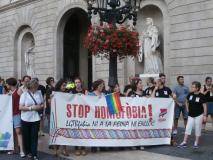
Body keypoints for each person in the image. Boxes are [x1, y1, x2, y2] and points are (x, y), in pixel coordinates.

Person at [19, 79, 44, 160]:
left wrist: (41, 106)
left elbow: (42, 103)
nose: (35, 89)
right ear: (30, 87)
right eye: (34, 87)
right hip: (25, 118)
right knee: (26, 137)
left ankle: (34, 154)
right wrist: (31, 108)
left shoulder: (39, 93)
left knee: (34, 137)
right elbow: (20, 107)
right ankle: (28, 152)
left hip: (36, 118)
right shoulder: (24, 95)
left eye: (36, 87)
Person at [178, 81, 207, 149]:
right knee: (188, 128)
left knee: (198, 128)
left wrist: (205, 115)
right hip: (191, 115)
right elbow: (186, 101)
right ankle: (184, 142)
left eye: (193, 87)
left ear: (197, 88)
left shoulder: (201, 96)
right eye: (192, 86)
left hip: (199, 115)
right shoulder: (190, 94)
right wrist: (187, 109)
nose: (191, 88)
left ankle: (196, 143)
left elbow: (204, 106)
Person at [6, 78, 25, 158]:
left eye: (7, 84)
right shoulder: (10, 92)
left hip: (17, 113)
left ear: (10, 84)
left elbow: (24, 99)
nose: (6, 85)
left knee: (18, 132)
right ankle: (15, 149)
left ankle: (22, 150)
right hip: (11, 114)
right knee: (13, 132)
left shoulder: (19, 91)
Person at [71, 77, 87, 156]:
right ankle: (77, 148)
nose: (77, 84)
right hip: (75, 114)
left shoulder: (85, 91)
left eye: (78, 82)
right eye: (76, 82)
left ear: (81, 83)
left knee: (83, 131)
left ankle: (83, 148)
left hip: (84, 114)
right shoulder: (72, 91)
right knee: (76, 132)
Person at [88, 79, 105, 153]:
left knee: (101, 131)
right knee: (94, 131)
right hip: (93, 116)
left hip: (102, 116)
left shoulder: (103, 95)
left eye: (102, 85)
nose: (102, 87)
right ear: (97, 86)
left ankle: (102, 146)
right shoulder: (90, 94)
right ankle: (94, 146)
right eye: (100, 85)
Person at [54, 79, 69, 157]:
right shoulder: (55, 93)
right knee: (56, 132)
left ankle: (64, 149)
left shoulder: (67, 93)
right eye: (63, 85)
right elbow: (50, 102)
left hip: (64, 115)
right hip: (56, 115)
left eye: (65, 85)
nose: (64, 87)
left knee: (64, 132)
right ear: (59, 85)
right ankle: (56, 150)